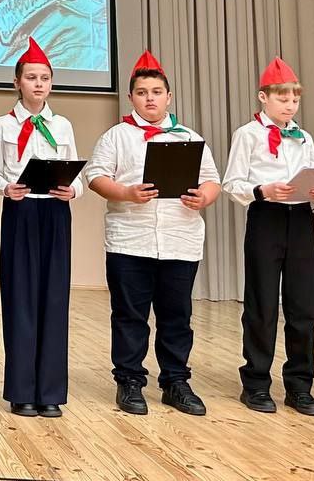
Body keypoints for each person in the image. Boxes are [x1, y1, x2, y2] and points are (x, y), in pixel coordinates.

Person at [86, 50, 220, 417]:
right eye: (142, 92)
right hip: (130, 239)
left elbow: (212, 180)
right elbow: (95, 176)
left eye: (157, 92)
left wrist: (203, 197)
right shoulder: (116, 136)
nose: (150, 99)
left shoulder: (189, 137)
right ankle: (129, 381)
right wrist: (126, 192)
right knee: (129, 315)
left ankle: (176, 382)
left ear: (168, 97)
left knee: (177, 316)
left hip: (180, 240)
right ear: (131, 97)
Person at [223, 57, 314, 417]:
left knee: (304, 306)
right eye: (282, 98)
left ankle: (300, 386)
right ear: (263, 97)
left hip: (301, 219)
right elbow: (232, 183)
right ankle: (256, 383)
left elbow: (313, 177)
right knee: (262, 304)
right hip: (266, 217)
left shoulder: (305, 137)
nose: (290, 105)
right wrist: (263, 190)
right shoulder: (247, 134)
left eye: (295, 99)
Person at [0, 37, 83, 417]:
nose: (38, 84)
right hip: (21, 212)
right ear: (17, 83)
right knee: (20, 298)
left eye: (44, 78)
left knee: (55, 299)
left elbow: (77, 170)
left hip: (55, 212)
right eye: (31, 77)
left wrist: (72, 190)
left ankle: (50, 391)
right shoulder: (3, 125)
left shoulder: (63, 125)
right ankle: (21, 390)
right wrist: (5, 188)